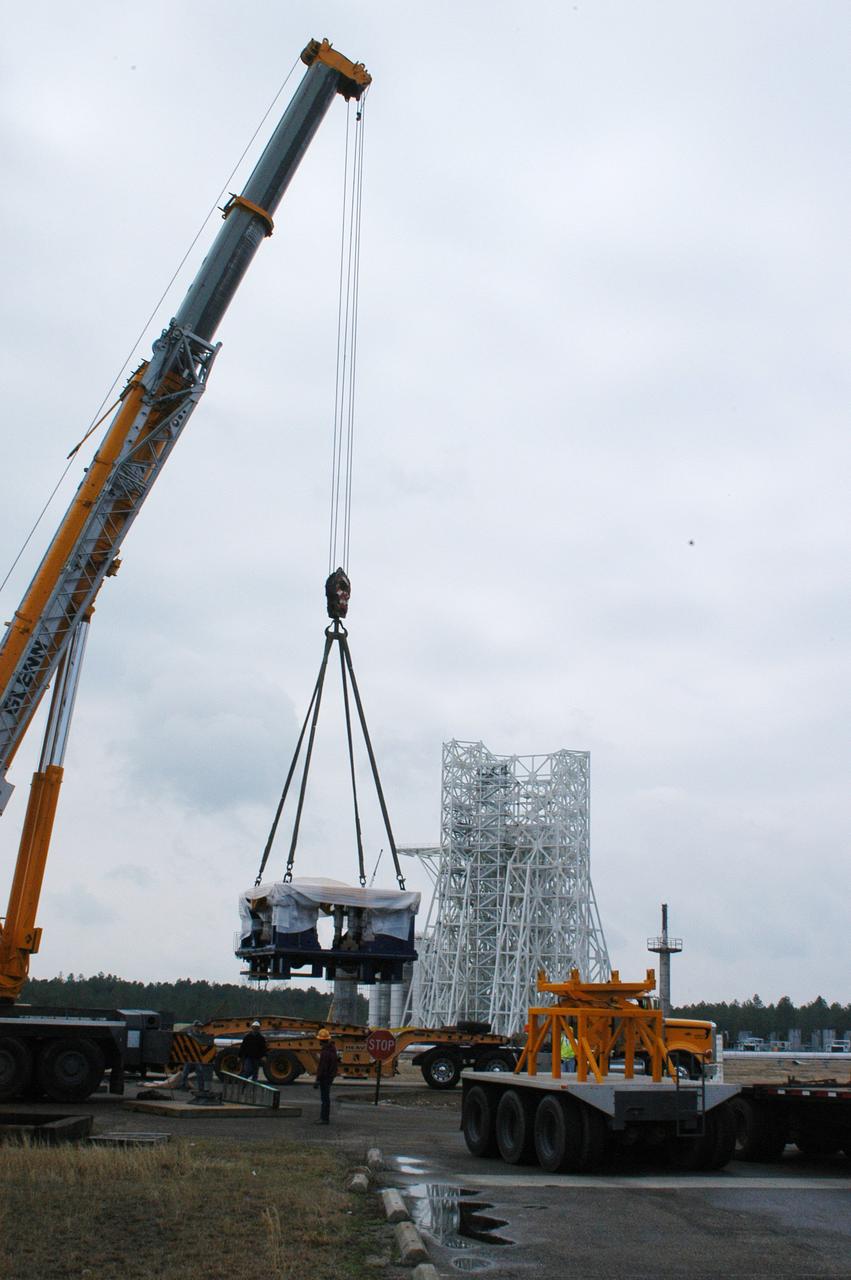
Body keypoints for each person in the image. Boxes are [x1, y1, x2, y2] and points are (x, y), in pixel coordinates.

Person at [180, 1020, 215, 1095]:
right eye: (197, 1027)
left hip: (197, 1057)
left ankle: (201, 1088)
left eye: (199, 1027)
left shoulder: (200, 1035)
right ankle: (182, 1086)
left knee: (199, 1073)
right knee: (185, 1072)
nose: (198, 1028)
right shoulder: (190, 1035)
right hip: (190, 1056)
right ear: (194, 1027)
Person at [313, 1027, 339, 1124]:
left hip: (325, 1078)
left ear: (321, 1040)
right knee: (326, 1099)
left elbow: (322, 1068)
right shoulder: (332, 1050)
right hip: (330, 1077)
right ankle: (325, 1118)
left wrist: (317, 1080)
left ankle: (324, 1119)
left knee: (324, 1099)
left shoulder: (325, 1052)